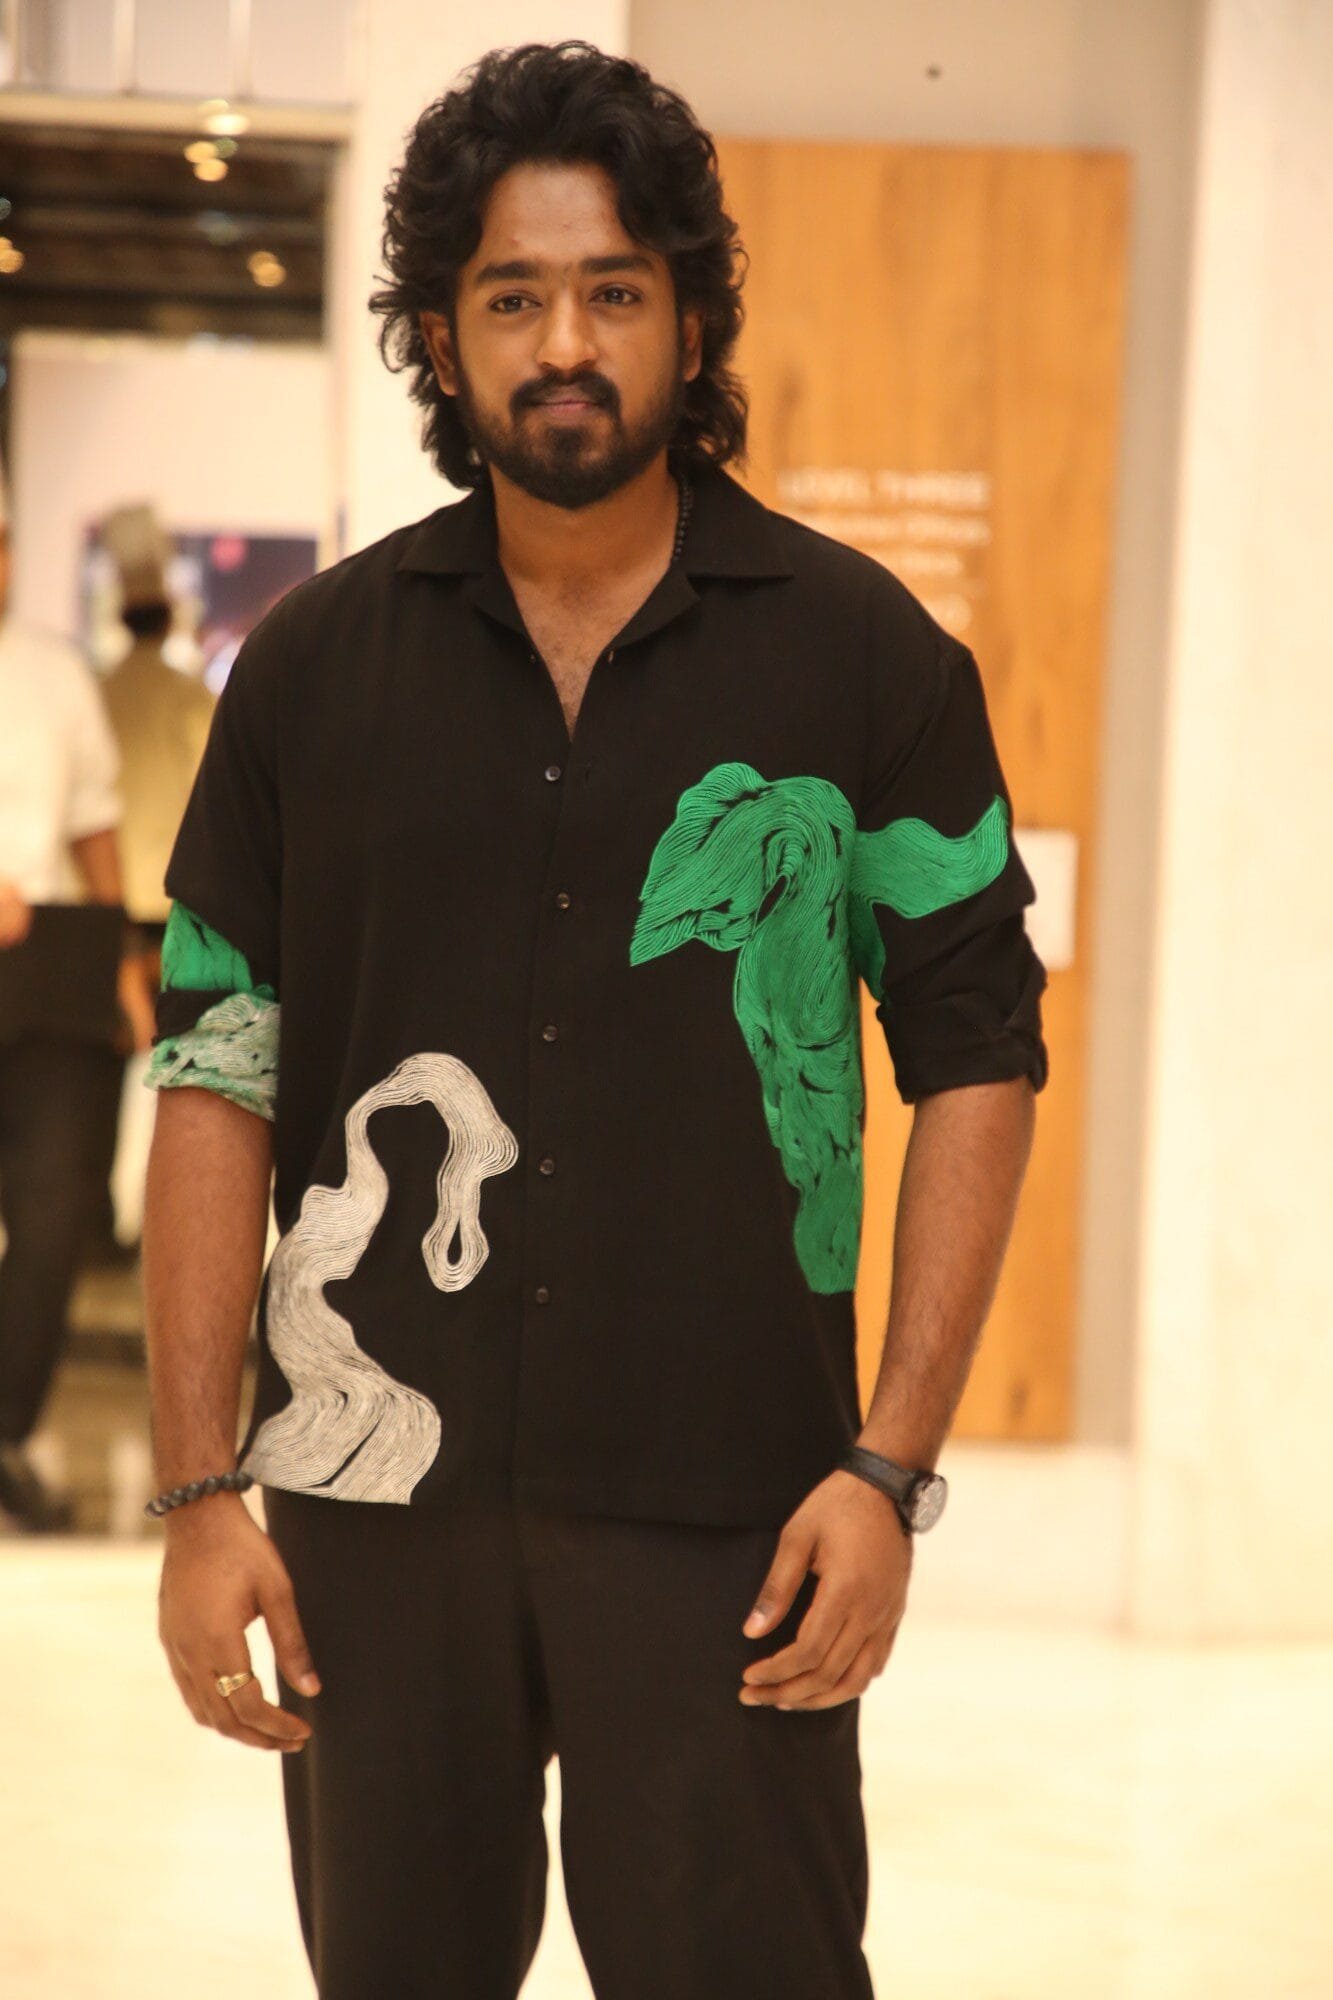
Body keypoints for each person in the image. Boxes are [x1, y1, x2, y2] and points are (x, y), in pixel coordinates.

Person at [142, 40, 1049, 2000]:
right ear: (440, 335)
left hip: (738, 1513)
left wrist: (888, 1466)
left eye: (612, 290)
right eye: (512, 296)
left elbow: (979, 1052)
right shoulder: (308, 674)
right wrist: (202, 1492)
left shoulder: (867, 662)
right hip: (375, 1517)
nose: (564, 343)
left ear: (689, 319)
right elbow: (214, 1073)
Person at [0, 477, 156, 1532]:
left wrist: (122, 966)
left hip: (51, 968)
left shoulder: (54, 671)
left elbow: (96, 819)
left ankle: (6, 1429)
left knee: (57, 1208)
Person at [81, 502, 215, 1264]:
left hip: (104, 908)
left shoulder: (97, 691)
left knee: (103, 1073)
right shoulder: (192, 699)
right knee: (181, 1077)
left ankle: (101, 1222)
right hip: (172, 908)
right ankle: (165, 1229)